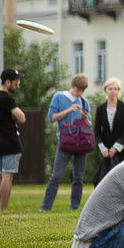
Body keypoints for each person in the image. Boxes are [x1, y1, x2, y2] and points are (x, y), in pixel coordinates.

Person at [42, 73, 93, 211]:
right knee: (57, 175)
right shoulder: (59, 97)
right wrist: (69, 110)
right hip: (65, 142)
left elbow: (89, 125)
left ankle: (74, 207)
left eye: (83, 90)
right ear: (73, 86)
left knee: (78, 178)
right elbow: (52, 118)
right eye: (78, 90)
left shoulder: (84, 101)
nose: (80, 93)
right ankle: (46, 207)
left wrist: (85, 118)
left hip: (81, 143)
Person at [0, 69, 25, 213]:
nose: (19, 84)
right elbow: (22, 117)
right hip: (10, 143)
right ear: (8, 82)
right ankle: (4, 209)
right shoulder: (6, 98)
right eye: (16, 82)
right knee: (7, 176)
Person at [93, 78, 124, 183]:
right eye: (110, 89)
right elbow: (97, 132)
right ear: (105, 90)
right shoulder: (100, 109)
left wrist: (115, 148)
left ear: (118, 91)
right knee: (105, 179)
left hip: (122, 148)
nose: (113, 91)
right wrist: (103, 149)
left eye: (115, 89)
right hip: (106, 149)